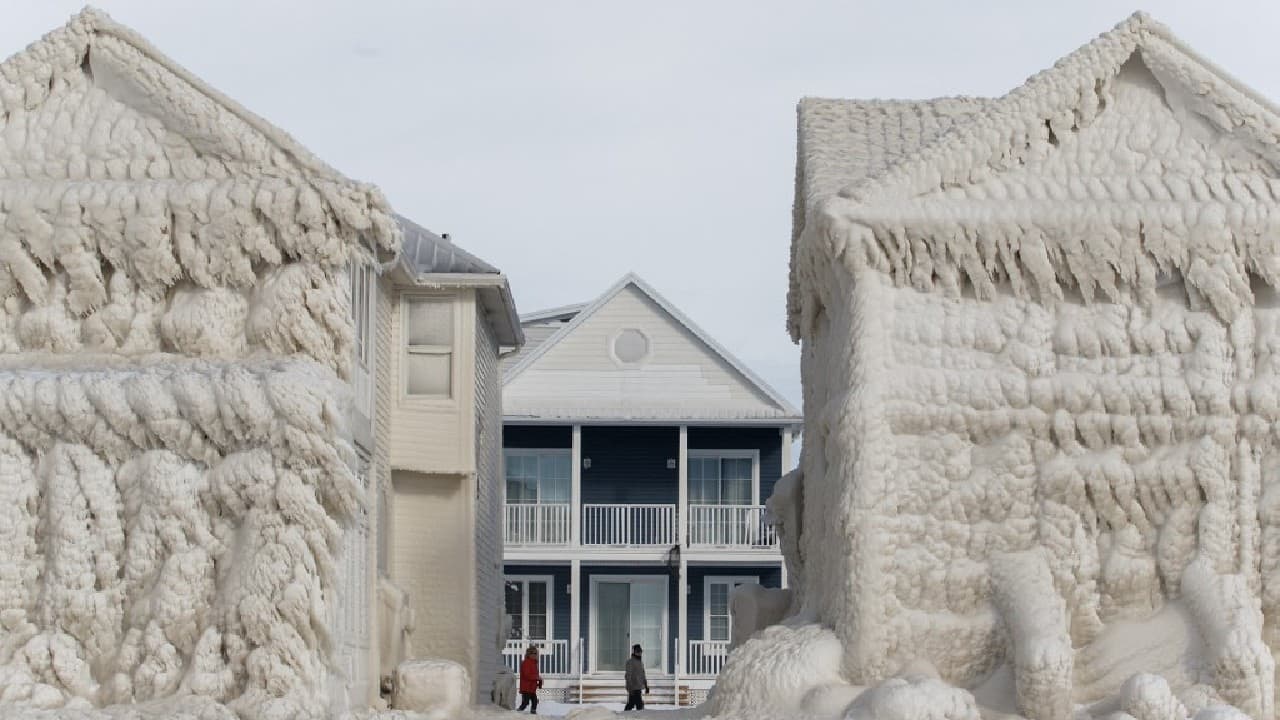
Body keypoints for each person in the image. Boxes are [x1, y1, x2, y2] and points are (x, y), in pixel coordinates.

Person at [517, 645, 542, 714]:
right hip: (526, 687)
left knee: (535, 701)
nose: (535, 655)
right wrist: (537, 677)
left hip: (532, 688)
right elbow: (527, 675)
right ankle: (517, 713)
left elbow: (535, 675)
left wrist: (539, 681)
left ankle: (533, 713)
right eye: (533, 653)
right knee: (525, 703)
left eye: (536, 653)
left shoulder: (534, 663)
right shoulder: (526, 663)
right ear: (529, 654)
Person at [624, 644, 649, 711]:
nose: (639, 653)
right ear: (634, 652)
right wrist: (630, 688)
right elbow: (628, 676)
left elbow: (643, 675)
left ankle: (624, 716)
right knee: (637, 705)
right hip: (633, 688)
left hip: (639, 687)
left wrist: (646, 685)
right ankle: (623, 716)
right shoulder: (630, 662)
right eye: (638, 652)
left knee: (632, 704)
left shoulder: (640, 663)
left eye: (640, 652)